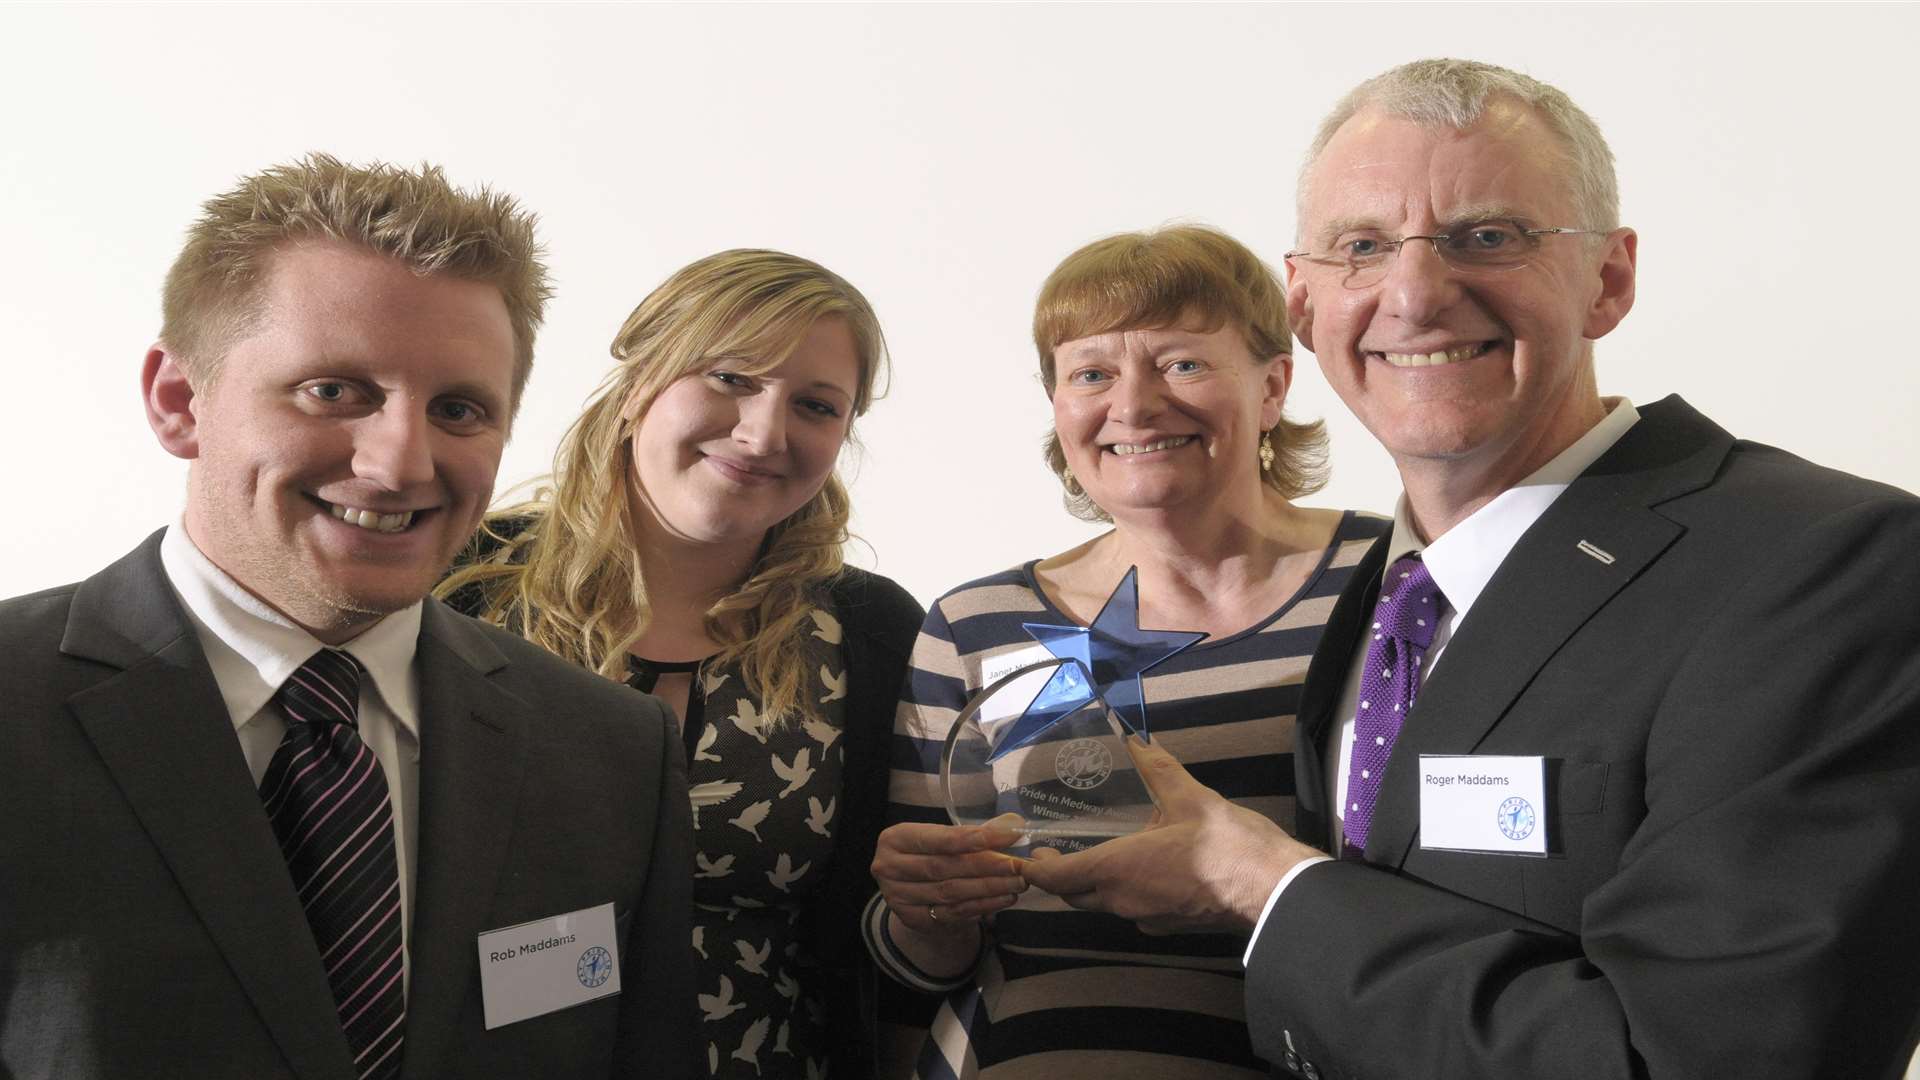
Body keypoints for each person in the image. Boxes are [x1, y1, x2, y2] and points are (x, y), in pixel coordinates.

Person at [1019, 59, 1920, 1079]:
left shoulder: (1820, 563)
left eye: (1487, 238)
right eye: (1363, 247)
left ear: (1609, 280)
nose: (1415, 295)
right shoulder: (1387, 587)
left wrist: (1254, 876)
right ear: (1305, 306)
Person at [0, 154, 692, 1079]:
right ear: (178, 401)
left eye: (458, 409)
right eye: (335, 391)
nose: (402, 463)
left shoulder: (613, 753)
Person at [862, 225, 1387, 1078]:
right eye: (1092, 374)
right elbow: (920, 965)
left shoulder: (1397, 581)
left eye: (1181, 362)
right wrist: (926, 912)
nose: (1133, 405)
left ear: (1274, 386)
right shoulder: (975, 621)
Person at [440, 249, 925, 1080]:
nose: (765, 432)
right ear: (638, 386)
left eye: (814, 404)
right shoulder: (463, 580)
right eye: (732, 377)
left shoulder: (872, 632)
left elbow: (896, 938)